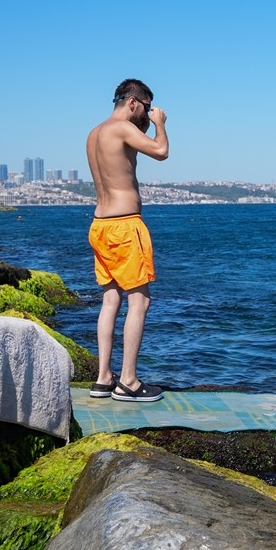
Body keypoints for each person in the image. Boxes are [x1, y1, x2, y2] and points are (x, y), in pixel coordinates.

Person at [85, 78, 169, 402]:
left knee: (110, 301)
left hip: (100, 225)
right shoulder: (121, 128)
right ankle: (129, 382)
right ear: (133, 102)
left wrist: (145, 122)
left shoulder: (95, 133)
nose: (148, 113)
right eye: (146, 107)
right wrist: (159, 124)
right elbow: (160, 151)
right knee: (140, 301)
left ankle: (103, 378)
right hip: (124, 225)